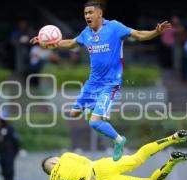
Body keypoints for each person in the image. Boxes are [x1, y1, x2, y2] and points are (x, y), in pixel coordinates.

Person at [30, 1, 172, 161]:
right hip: (92, 83)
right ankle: (93, 110)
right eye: (85, 14)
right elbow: (70, 43)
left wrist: (156, 32)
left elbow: (138, 34)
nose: (87, 16)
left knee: (94, 123)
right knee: (74, 113)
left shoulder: (114, 28)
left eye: (90, 13)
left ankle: (119, 140)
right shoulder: (86, 33)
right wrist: (49, 43)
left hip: (110, 84)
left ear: (100, 13)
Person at [42, 130, 187, 180]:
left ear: (49, 173)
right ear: (54, 160)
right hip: (100, 168)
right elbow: (87, 162)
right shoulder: (65, 157)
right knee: (138, 157)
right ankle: (174, 137)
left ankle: (172, 161)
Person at [0, 112, 20, 180]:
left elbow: (16, 141)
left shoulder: (10, 129)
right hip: (1, 154)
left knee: (9, 170)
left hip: (9, 154)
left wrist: (16, 152)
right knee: (4, 170)